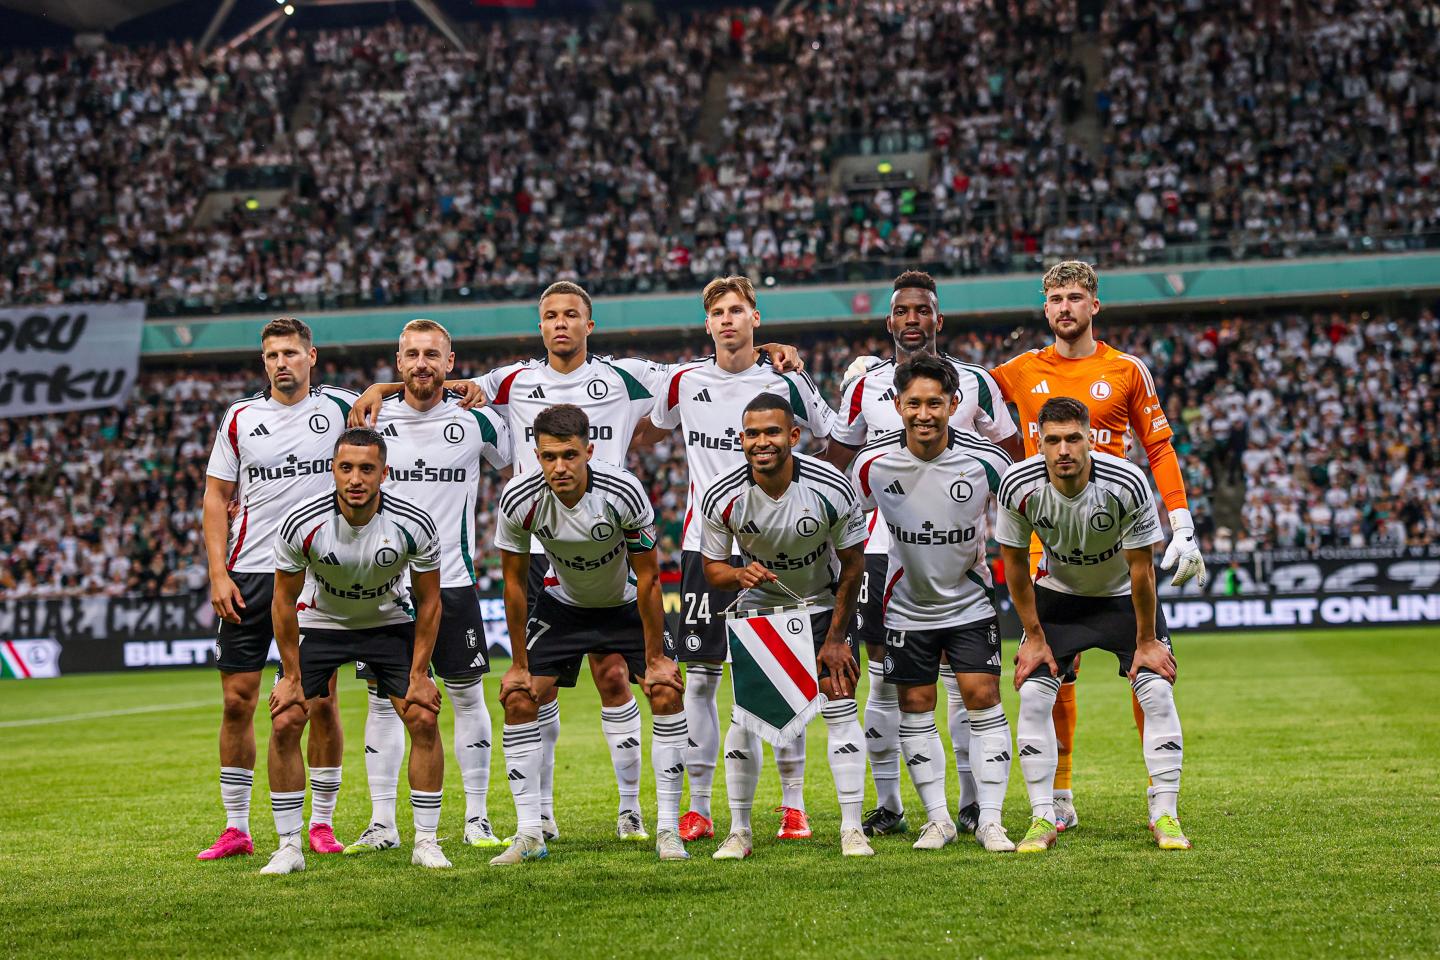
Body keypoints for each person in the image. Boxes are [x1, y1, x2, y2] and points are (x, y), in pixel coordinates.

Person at [348, 282, 801, 843]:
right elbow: (436, 380)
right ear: (540, 326)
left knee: (614, 678)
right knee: (536, 690)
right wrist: (381, 385)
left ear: (590, 324)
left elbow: (715, 367)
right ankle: (540, 819)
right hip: (536, 549)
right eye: (550, 316)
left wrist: (771, 349)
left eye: (571, 315)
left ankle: (631, 811)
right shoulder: (511, 382)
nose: (560, 323)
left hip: (610, 545)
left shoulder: (626, 376)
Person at [988, 260, 1206, 831]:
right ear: (1045, 308)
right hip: (1047, 538)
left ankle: (1159, 800)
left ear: (1093, 306)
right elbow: (950, 393)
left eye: (1075, 297)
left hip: (1117, 532)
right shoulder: (1017, 371)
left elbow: (1158, 448)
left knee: (1144, 661)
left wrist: (1181, 523)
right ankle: (1058, 797)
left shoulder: (1127, 370)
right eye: (1054, 297)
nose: (1064, 307)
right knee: (1056, 672)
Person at [824, 269, 1022, 839]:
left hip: (960, 557)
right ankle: (891, 804)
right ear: (890, 321)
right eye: (902, 312)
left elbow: (1012, 457)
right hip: (886, 556)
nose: (912, 320)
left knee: (969, 684)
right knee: (889, 684)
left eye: (922, 311)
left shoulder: (977, 384)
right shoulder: (864, 384)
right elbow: (837, 463)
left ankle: (972, 805)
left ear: (938, 319)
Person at [650, 275, 837, 845]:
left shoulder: (785, 379)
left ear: (756, 317)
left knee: (784, 679)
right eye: (717, 312)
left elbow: (825, 437)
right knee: (702, 682)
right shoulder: (682, 381)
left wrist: (792, 369)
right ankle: (700, 808)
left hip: (776, 546)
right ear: (707, 324)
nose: (728, 319)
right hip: (705, 545)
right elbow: (653, 424)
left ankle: (793, 808)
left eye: (737, 310)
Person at [489, 404, 688, 864]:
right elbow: (516, 585)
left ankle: (667, 830)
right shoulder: (520, 498)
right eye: (548, 456)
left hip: (624, 606)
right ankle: (528, 834)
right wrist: (518, 665)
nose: (559, 467)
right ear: (536, 455)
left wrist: (656, 656)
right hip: (564, 607)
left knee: (664, 690)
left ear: (589, 452)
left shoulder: (623, 491)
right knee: (519, 697)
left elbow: (649, 579)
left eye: (569, 455)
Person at [345, 320, 513, 856]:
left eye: (432, 355)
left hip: (455, 584)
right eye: (412, 355)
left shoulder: (479, 422)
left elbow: (516, 469)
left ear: (450, 361)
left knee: (467, 697)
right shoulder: (372, 419)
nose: (422, 363)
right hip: (385, 588)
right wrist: (379, 391)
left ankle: (478, 818)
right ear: (398, 363)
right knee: (382, 702)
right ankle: (382, 824)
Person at [996, 397, 1191, 853]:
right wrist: (1035, 639)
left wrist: (1146, 641)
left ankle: (1165, 813)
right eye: (1053, 440)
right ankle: (1044, 814)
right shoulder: (1017, 484)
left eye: (1073, 438)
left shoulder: (1126, 481)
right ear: (1039, 444)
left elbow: (1142, 570)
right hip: (1059, 599)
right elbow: (1014, 568)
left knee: (1157, 689)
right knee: (1032, 692)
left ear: (1092, 439)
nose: (1064, 449)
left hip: (1123, 598)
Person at [198, 317, 356, 861]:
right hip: (249, 575)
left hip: (317, 575)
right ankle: (236, 827)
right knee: (237, 701)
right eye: (271, 355)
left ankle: (323, 823)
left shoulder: (342, 409)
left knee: (321, 700)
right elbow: (217, 496)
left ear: (313, 357)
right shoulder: (240, 418)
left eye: (290, 352)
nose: (280, 362)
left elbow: (399, 408)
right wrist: (218, 572)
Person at [262, 427, 451, 874]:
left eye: (367, 469)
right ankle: (289, 846)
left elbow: (430, 602)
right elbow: (282, 602)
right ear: (333, 470)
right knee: (286, 718)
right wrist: (290, 677)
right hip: (322, 624)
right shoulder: (301, 522)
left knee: (423, 716)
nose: (355, 478)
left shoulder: (413, 523)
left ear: (384, 472)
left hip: (387, 623)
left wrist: (421, 673)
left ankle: (426, 840)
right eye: (346, 467)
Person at [699, 393, 870, 859]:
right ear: (741, 439)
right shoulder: (721, 495)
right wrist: (737, 574)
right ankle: (740, 831)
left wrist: (836, 637)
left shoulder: (831, 487)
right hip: (762, 613)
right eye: (752, 433)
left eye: (772, 432)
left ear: (794, 436)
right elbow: (712, 568)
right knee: (745, 720)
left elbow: (853, 566)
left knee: (839, 709)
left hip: (821, 608)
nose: (762, 442)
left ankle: (852, 830)